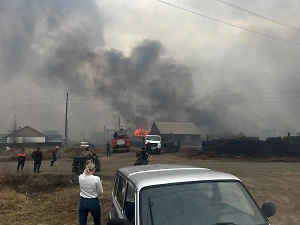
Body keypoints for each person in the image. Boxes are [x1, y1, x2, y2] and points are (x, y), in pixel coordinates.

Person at [78, 160, 103, 225]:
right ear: (94, 169)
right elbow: (100, 193)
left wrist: (88, 164)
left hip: (83, 201)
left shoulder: (80, 177)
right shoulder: (96, 179)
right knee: (97, 221)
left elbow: (84, 173)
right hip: (93, 202)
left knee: (82, 222)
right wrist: (100, 184)